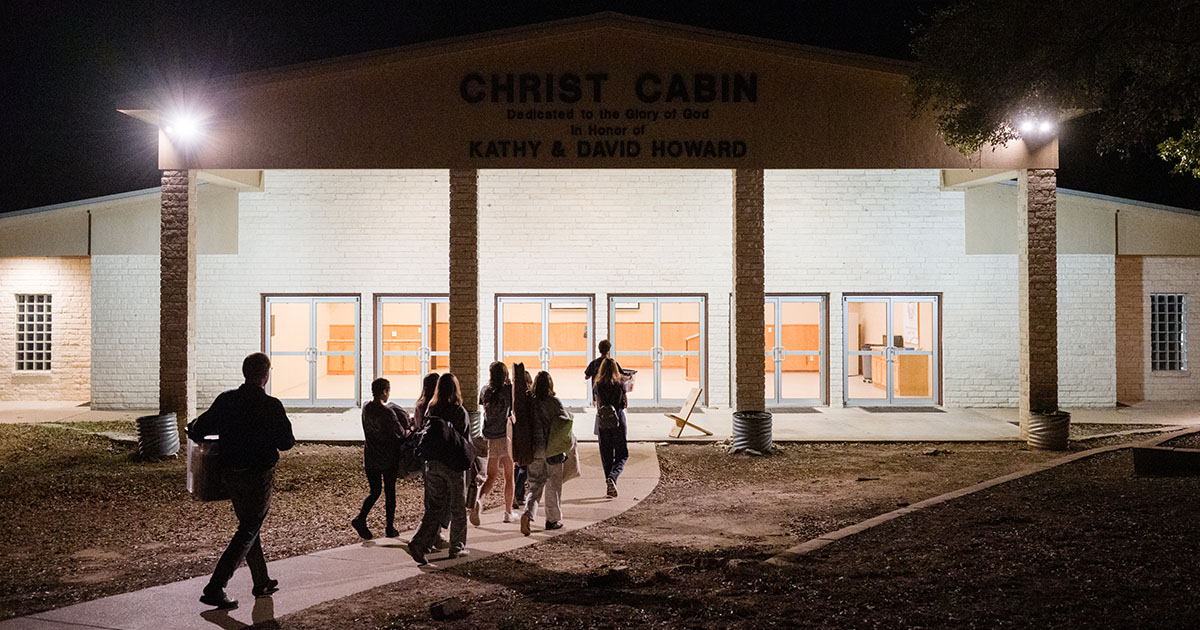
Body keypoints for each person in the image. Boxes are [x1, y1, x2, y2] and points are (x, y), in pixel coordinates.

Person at [189, 352, 295, 610]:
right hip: (258, 475)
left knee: (249, 525)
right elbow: (286, 442)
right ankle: (216, 586)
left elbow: (198, 428)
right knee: (249, 527)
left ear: (245, 373)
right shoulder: (271, 405)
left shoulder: (227, 400)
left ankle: (262, 581)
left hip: (230, 473)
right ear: (266, 376)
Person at [407, 372, 470, 563]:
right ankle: (457, 546)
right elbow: (464, 439)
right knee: (458, 507)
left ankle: (419, 542)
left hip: (432, 464)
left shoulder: (431, 409)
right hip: (452, 464)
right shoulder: (459, 411)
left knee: (435, 507)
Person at [351, 378, 409, 540]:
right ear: (384, 391)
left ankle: (361, 518)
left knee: (375, 491)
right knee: (390, 493)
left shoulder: (366, 408)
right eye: (388, 391)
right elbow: (399, 434)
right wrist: (409, 428)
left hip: (370, 457)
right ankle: (389, 527)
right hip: (388, 458)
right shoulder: (387, 413)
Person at [520, 371, 569, 536]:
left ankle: (527, 513)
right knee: (553, 485)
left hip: (535, 449)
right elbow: (564, 421)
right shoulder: (554, 402)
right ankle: (552, 520)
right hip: (552, 449)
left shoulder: (530, 403)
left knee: (534, 485)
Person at [475, 362, 516, 523]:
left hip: (489, 437)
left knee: (490, 476)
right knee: (509, 477)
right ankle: (508, 512)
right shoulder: (508, 390)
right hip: (505, 437)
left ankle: (479, 502)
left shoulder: (485, 391)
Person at [593, 358, 629, 498]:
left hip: (603, 422)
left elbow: (598, 405)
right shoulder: (620, 384)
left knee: (606, 454)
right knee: (622, 454)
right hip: (618, 420)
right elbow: (625, 404)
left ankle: (609, 481)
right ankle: (613, 477)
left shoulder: (598, 385)